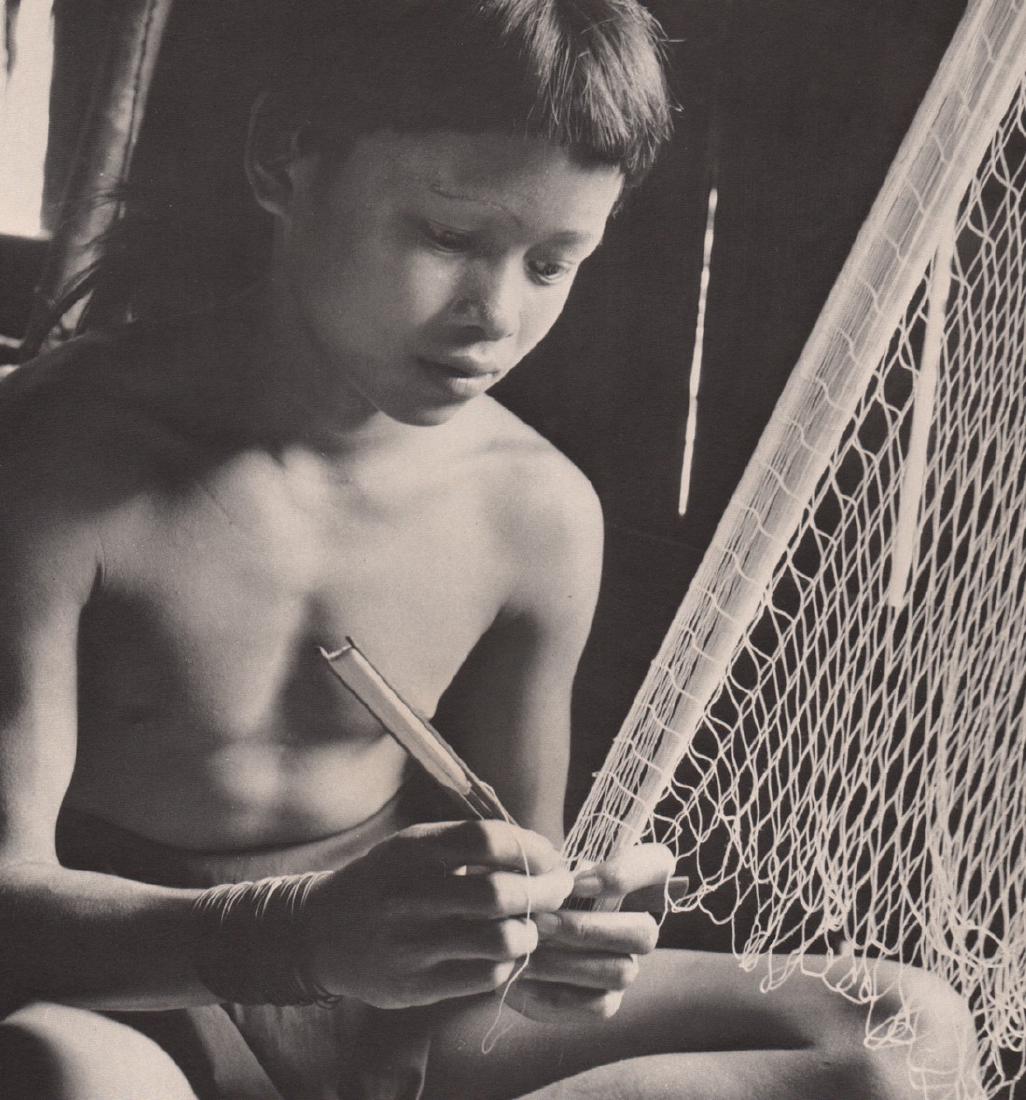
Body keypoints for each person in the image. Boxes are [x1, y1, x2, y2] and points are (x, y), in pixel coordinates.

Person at [0, 2, 975, 1097]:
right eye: (449, 237)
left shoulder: (533, 510)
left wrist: (563, 936)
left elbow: (523, 864)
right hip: (127, 1004)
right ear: (286, 158)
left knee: (899, 1033)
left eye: (555, 262)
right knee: (58, 1072)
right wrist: (297, 933)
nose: (495, 315)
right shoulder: (53, 460)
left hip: (397, 1019)